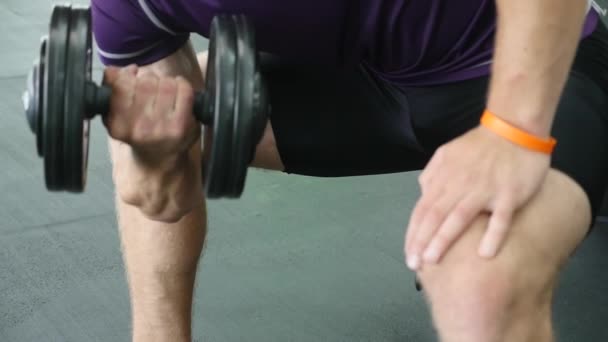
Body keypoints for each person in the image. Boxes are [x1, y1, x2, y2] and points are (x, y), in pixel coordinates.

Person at [92, 0, 608, 341]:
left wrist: (512, 131)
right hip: (367, 82)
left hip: (521, 70)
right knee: (160, 104)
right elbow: (163, 191)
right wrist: (156, 154)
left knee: (480, 279)